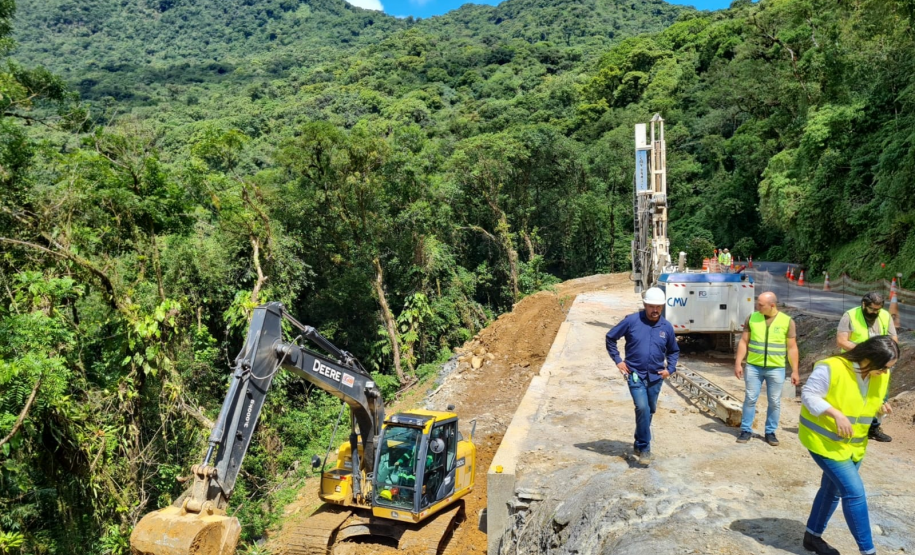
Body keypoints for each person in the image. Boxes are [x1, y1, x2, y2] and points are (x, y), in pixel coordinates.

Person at [799, 336, 898, 555]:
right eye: (883, 368)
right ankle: (868, 551)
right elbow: (809, 395)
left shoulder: (880, 374)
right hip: (824, 441)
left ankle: (812, 537)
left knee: (831, 490)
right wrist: (835, 413)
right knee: (854, 493)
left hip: (854, 446)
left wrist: (880, 407)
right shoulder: (832, 367)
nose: (885, 372)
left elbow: (864, 401)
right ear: (869, 359)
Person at [605, 287, 680, 465]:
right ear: (645, 305)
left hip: (656, 376)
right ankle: (645, 449)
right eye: (652, 306)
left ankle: (639, 442)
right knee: (642, 408)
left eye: (659, 307)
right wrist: (618, 360)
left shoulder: (666, 327)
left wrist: (670, 369)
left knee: (649, 410)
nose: (655, 311)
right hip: (635, 375)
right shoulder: (631, 321)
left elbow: (673, 351)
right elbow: (610, 338)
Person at [734, 291, 799, 446]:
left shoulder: (787, 321)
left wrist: (795, 370)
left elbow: (792, 348)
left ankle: (770, 432)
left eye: (761, 305)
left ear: (772, 305)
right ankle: (746, 430)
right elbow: (744, 342)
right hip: (753, 367)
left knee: (775, 401)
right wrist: (738, 362)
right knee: (750, 399)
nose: (758, 306)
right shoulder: (752, 318)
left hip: (776, 368)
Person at [836, 292, 898, 442]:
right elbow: (842, 341)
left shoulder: (884, 316)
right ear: (864, 304)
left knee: (879, 395)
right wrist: (865, 352)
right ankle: (847, 425)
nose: (875, 313)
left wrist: (886, 355)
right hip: (855, 362)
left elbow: (893, 339)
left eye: (878, 309)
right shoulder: (850, 315)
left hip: (879, 363)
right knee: (853, 394)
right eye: (872, 309)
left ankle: (873, 428)